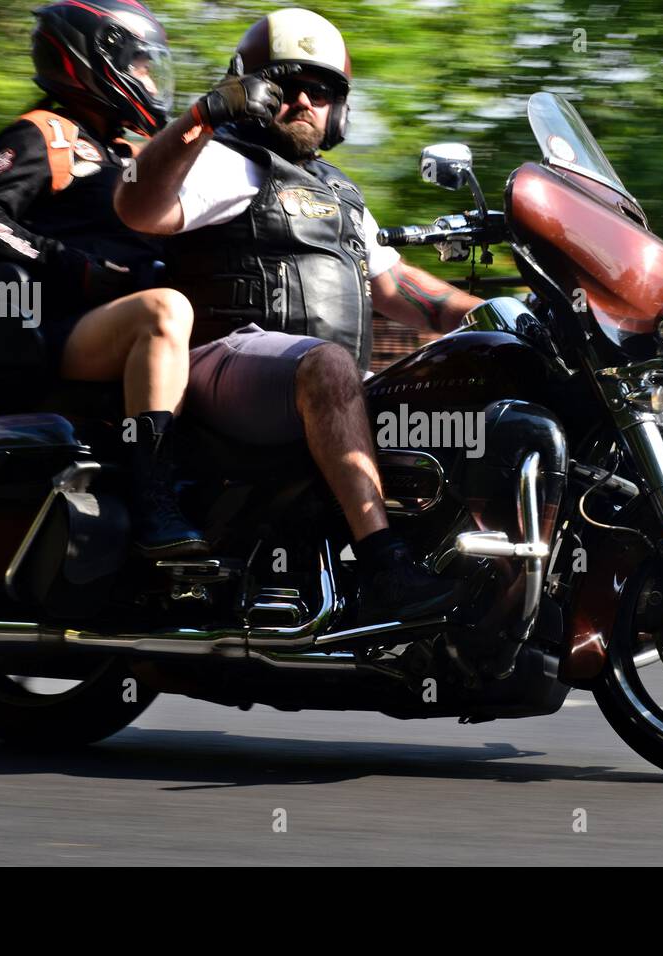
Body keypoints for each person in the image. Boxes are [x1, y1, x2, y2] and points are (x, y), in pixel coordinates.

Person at [116, 8, 484, 622]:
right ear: (254, 92)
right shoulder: (223, 161)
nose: (304, 101)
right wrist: (204, 115)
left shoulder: (341, 191)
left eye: (322, 91)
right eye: (286, 87)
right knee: (330, 366)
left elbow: (396, 288)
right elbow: (138, 206)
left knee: (446, 390)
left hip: (310, 379)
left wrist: (499, 313)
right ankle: (386, 566)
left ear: (339, 108)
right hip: (224, 361)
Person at [0, 0, 207, 558]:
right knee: (164, 310)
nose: (146, 76)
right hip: (63, 325)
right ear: (89, 59)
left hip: (118, 321)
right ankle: (154, 498)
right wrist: (73, 266)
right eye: (137, 63)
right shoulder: (45, 134)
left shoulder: (126, 150)